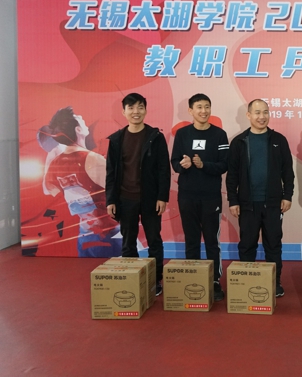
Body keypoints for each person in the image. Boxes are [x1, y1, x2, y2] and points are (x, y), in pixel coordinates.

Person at [226, 99, 294, 297]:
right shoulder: (239, 142)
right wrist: (233, 200)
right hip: (247, 204)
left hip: (273, 203)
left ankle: (275, 283)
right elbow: (232, 175)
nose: (262, 116)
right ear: (248, 115)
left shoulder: (278, 140)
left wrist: (287, 196)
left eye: (265, 112)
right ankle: (247, 281)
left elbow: (287, 172)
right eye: (257, 113)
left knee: (273, 244)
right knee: (247, 244)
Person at [105, 93, 170, 296]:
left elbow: (164, 170)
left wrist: (162, 197)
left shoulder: (155, 137)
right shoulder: (116, 139)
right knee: (128, 241)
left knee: (154, 240)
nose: (136, 112)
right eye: (131, 108)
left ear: (145, 110)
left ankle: (155, 280)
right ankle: (131, 278)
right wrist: (111, 200)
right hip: (125, 199)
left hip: (150, 199)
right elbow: (111, 172)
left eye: (140, 107)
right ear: (123, 112)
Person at [40, 107, 122, 257]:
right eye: (81, 119)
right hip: (110, 233)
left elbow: (48, 189)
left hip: (84, 234)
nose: (84, 121)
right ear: (78, 129)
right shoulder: (92, 159)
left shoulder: (56, 163)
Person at [171, 94, 229, 302]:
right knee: (191, 239)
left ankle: (214, 281)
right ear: (190, 110)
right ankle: (193, 277)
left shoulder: (219, 135)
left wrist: (204, 165)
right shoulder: (182, 134)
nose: (203, 111)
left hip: (211, 197)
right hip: (187, 196)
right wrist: (182, 165)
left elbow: (224, 165)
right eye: (199, 107)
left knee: (212, 241)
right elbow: (174, 161)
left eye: (206, 107)